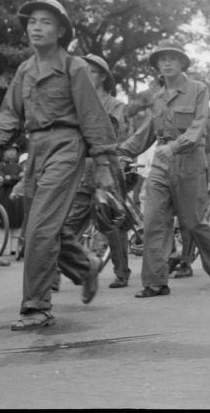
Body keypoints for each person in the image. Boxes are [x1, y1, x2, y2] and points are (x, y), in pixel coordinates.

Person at [0, 0, 118, 330]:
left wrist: (105, 166)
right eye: (32, 22)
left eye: (45, 22)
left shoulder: (74, 67)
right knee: (44, 227)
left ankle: (36, 307)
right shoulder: (25, 70)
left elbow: (94, 118)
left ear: (61, 30)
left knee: (38, 228)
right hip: (35, 148)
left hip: (67, 145)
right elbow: (9, 114)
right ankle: (85, 267)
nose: (36, 28)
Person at [118, 39, 210, 297]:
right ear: (157, 65)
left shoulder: (198, 89)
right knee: (153, 220)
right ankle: (156, 282)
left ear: (182, 62)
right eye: (161, 59)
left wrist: (176, 146)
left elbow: (198, 126)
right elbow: (146, 132)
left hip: (189, 159)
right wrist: (121, 152)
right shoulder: (157, 98)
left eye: (172, 58)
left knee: (192, 222)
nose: (166, 62)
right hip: (160, 163)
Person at [58, 54, 131, 289]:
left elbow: (109, 129)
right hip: (80, 167)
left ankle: (121, 272)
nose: (87, 74)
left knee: (110, 222)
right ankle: (59, 273)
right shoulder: (74, 102)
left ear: (103, 77)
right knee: (69, 222)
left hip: (106, 167)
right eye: (84, 70)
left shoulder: (115, 104)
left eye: (93, 70)